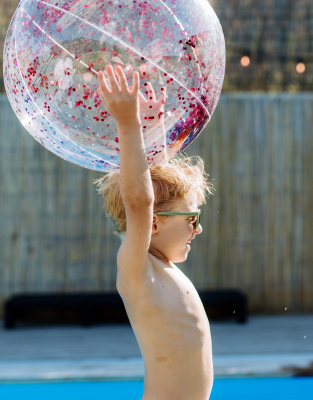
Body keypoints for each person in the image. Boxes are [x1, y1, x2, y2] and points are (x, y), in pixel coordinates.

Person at [95, 65, 214, 400]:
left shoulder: (160, 269)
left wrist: (150, 129)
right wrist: (129, 124)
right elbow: (141, 201)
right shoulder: (137, 269)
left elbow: (152, 183)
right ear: (155, 223)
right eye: (192, 218)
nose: (199, 228)